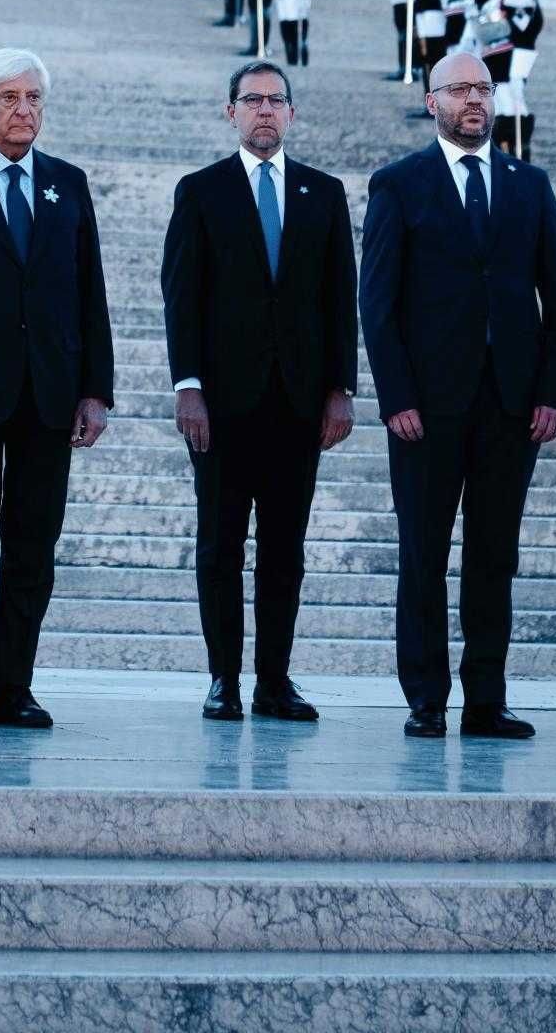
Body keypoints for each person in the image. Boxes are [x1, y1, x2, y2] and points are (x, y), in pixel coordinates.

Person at [362, 51, 556, 738]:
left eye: (483, 87)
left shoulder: (529, 184)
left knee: (494, 556)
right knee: (423, 555)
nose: (475, 100)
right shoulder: (399, 184)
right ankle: (426, 698)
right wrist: (396, 396)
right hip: (425, 407)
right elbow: (377, 303)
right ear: (433, 102)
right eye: (459, 89)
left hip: (511, 406)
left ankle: (487, 699)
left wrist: (555, 392)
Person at [161, 62, 357, 723]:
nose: (265, 110)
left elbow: (340, 297)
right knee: (219, 545)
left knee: (284, 550)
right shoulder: (201, 191)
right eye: (253, 100)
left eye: (276, 100)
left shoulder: (323, 193)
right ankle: (223, 679)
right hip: (220, 405)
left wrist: (340, 388)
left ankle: (275, 680)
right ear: (232, 112)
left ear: (292, 113)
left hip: (298, 404)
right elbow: (181, 296)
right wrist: (188, 386)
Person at [0, 51, 114, 728]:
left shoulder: (68, 183)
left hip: (50, 391)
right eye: (9, 97)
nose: (24, 110)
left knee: (33, 543)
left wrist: (95, 389)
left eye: (34, 97)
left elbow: (89, 289)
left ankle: (16, 684)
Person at [487, 0, 543, 161]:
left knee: (514, 96)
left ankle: (520, 151)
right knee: (500, 100)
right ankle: (504, 150)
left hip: (516, 52)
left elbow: (522, 27)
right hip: (498, 52)